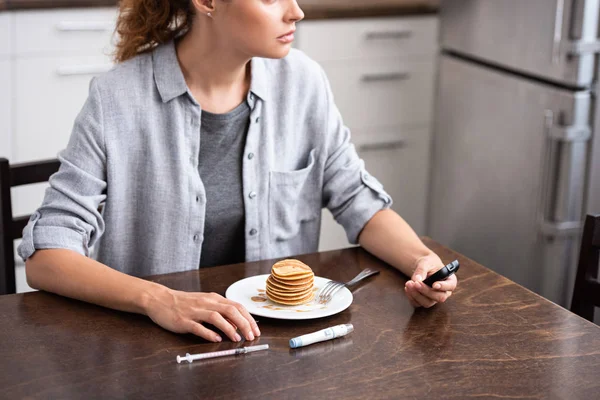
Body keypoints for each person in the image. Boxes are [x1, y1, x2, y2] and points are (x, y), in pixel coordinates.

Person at [19, 0, 458, 344]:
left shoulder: (304, 83)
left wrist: (420, 260)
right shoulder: (116, 99)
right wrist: (158, 300)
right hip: (153, 351)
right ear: (207, 1)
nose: (297, 11)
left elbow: (357, 200)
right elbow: (46, 258)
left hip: (279, 348)